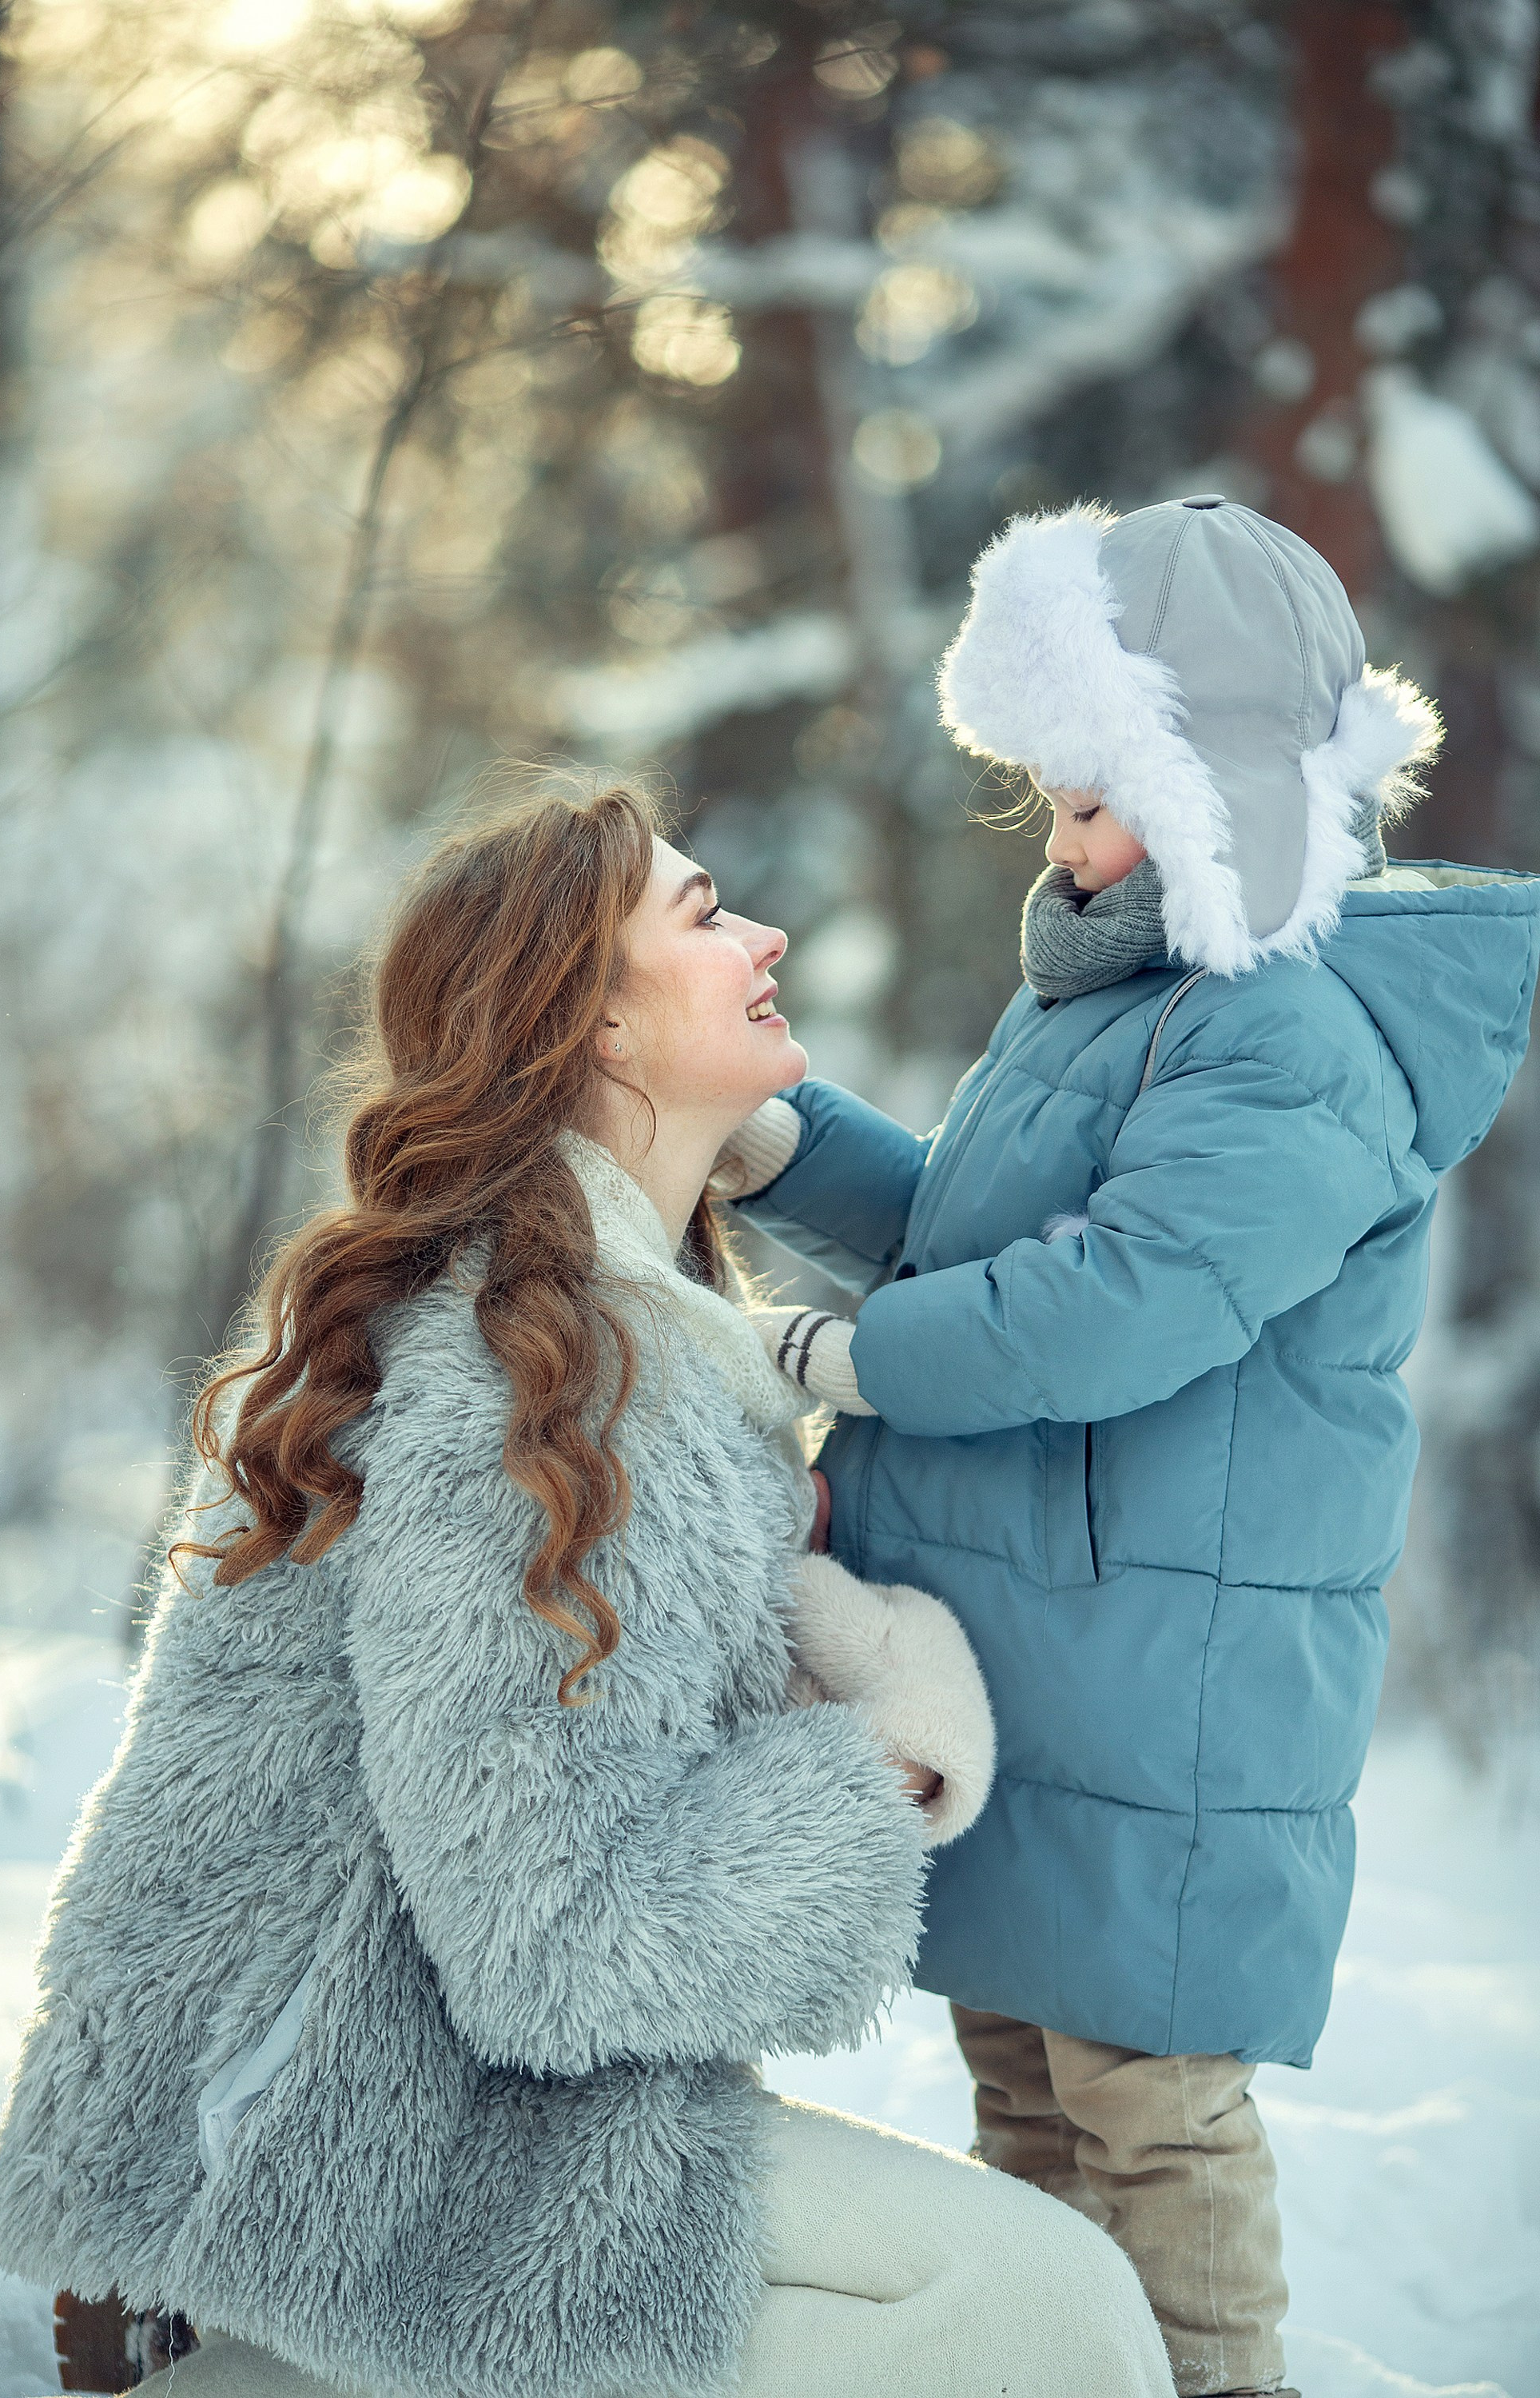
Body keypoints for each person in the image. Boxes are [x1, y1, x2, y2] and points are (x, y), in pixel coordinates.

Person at [0, 784, 1173, 2398]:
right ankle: (256, 2378)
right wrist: (875, 1770)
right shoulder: (523, 1377)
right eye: (702, 915)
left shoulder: (603, 1328)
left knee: (1034, 2300)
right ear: (595, 1024)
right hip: (334, 2165)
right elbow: (551, 1943)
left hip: (383, 2113)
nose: (766, 937)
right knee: (1047, 2322)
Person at [727, 495, 1540, 2397]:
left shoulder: (1285, 1041)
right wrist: (788, 1151)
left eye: (1095, 794)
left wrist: (836, 1359)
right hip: (1058, 1654)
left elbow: (1119, 1301)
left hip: (1173, 1687)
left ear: (1225, 787)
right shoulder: (1123, 995)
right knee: (1021, 2082)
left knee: (1147, 2107)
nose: (1062, 837)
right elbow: (983, 1238)